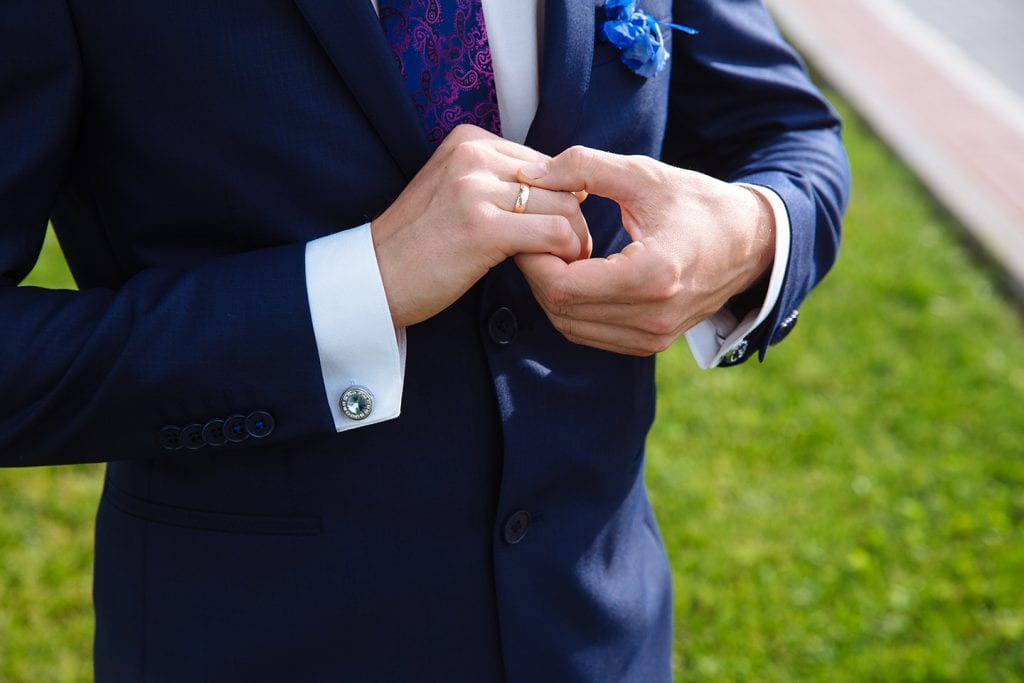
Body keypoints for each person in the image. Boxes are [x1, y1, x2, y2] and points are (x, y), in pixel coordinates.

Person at [0, 0, 848, 680]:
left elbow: (787, 134)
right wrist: (353, 290)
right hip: (257, 640)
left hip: (599, 632)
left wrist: (749, 236)